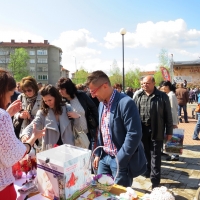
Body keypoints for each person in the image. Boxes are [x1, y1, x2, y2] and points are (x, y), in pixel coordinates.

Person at [86, 70, 147, 187]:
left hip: (119, 160)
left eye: (93, 91)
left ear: (104, 86)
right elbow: (102, 130)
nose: (92, 95)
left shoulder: (126, 103)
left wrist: (120, 159)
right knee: (101, 191)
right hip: (104, 158)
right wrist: (98, 154)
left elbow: (134, 134)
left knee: (119, 195)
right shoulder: (101, 104)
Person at [0, 69, 45, 200]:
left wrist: (8, 114)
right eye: (9, 95)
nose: (9, 100)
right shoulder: (2, 116)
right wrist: (33, 138)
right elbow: (14, 155)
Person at [133, 76, 173, 189]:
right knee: (145, 152)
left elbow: (168, 116)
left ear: (153, 83)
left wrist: (169, 131)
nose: (144, 85)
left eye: (147, 83)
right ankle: (148, 171)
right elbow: (133, 113)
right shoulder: (138, 95)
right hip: (142, 129)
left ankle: (155, 181)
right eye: (143, 83)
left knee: (155, 154)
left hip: (157, 129)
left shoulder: (162, 96)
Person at [57, 77, 98, 151]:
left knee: (87, 156)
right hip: (71, 136)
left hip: (85, 133)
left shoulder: (81, 95)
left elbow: (93, 108)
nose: (60, 91)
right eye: (59, 89)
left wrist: (97, 124)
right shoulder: (61, 101)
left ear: (69, 88)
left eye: (62, 89)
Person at [160, 81, 179, 161]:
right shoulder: (169, 95)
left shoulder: (171, 96)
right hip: (170, 121)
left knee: (172, 137)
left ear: (167, 86)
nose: (162, 88)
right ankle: (171, 154)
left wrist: (173, 123)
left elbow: (173, 110)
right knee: (169, 138)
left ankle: (174, 155)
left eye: (163, 86)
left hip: (171, 121)